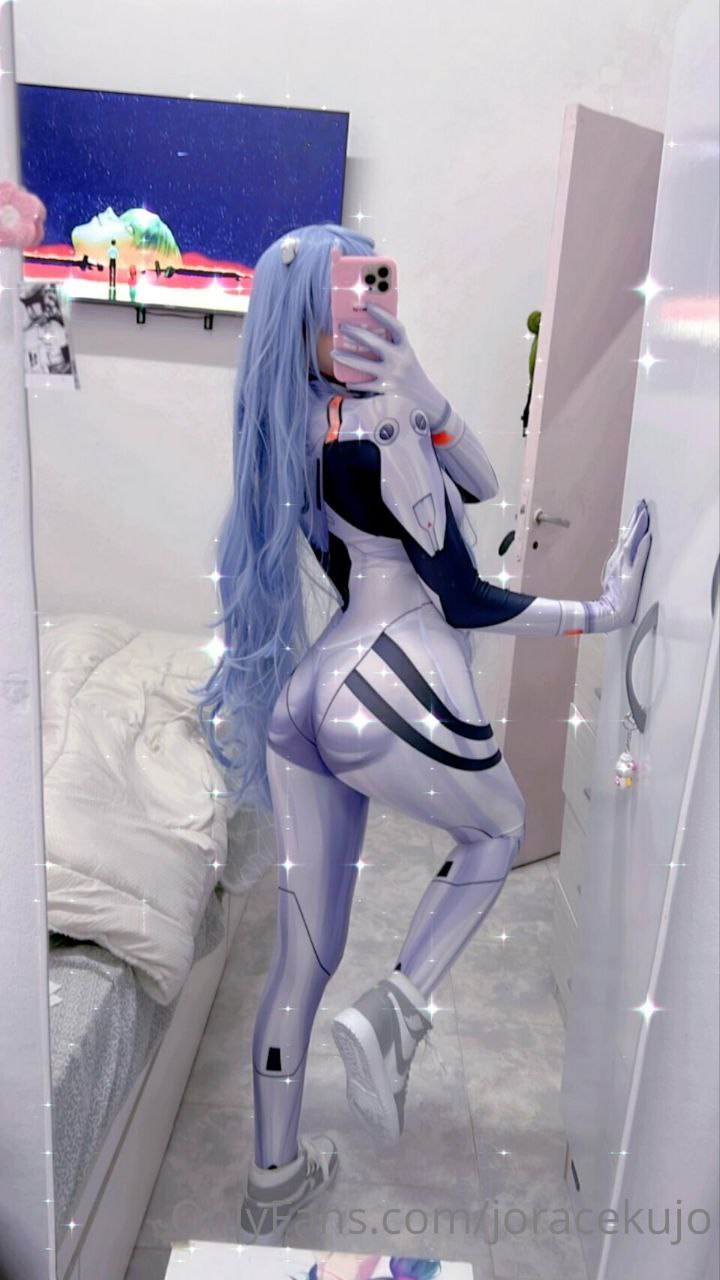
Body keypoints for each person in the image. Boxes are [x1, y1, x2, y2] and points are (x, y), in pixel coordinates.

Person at [195, 224, 651, 1246]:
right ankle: (396, 1009)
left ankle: (273, 1179)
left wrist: (422, 391)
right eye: (351, 293)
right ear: (316, 316)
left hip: (311, 695)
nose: (370, 305)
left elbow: (474, 482)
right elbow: (468, 594)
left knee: (303, 956)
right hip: (392, 672)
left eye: (375, 285)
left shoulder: (291, 429)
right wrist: (602, 611)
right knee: (500, 830)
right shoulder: (388, 417)